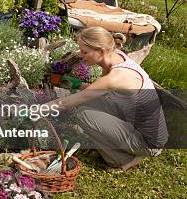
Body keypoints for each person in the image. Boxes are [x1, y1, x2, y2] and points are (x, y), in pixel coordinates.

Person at [42, 27, 168, 171]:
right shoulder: (115, 57)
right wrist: (78, 84)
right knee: (83, 104)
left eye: (85, 52)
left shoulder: (117, 76)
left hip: (149, 142)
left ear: (101, 51)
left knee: (84, 115)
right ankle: (120, 144)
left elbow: (65, 103)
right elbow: (98, 91)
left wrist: (35, 110)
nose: (81, 56)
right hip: (136, 123)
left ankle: (123, 159)